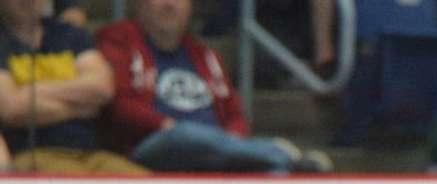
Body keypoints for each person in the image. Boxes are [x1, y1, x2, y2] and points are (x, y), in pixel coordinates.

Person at [96, 0, 331, 173]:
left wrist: (231, 139)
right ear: (140, 6)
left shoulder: (206, 56)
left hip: (215, 150)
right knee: (185, 133)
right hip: (153, 146)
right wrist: (165, 125)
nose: (170, 5)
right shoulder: (119, 41)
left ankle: (280, 162)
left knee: (275, 172)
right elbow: (119, 104)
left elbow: (235, 115)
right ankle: (278, 152)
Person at [0, 0, 146, 173]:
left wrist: (31, 91)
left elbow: (103, 87)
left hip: (92, 154)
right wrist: (81, 107)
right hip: (33, 154)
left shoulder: (69, 34)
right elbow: (12, 108)